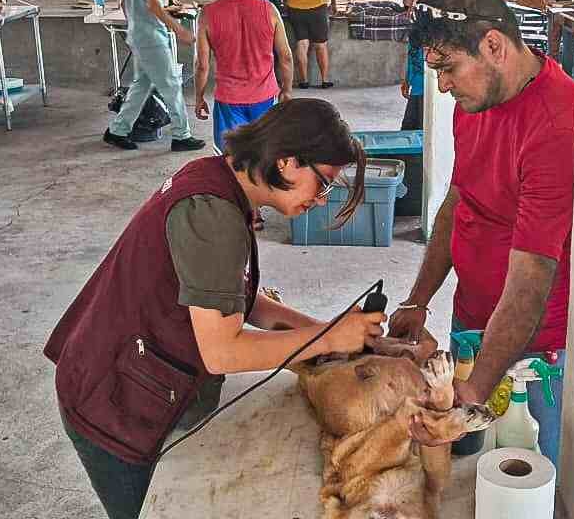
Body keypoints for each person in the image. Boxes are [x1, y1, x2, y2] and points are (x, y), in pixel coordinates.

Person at [45, 98, 384, 519]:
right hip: (110, 403)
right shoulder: (212, 215)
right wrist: (329, 338)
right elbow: (223, 351)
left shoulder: (219, 179)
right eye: (325, 182)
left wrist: (325, 332)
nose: (322, 199)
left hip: (124, 368)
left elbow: (235, 299)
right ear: (288, 162)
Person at [390, 0, 574, 471]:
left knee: (528, 470)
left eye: (448, 67)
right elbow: (459, 201)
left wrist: (474, 389)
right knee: (465, 470)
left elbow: (532, 278)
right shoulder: (474, 101)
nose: (443, 84)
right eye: (435, 70)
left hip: (531, 352)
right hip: (470, 324)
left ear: (493, 45)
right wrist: (418, 297)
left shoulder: (557, 123)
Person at [195, 0, 294, 230]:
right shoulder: (269, 10)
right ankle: (257, 210)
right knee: (262, 154)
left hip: (229, 99)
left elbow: (202, 64)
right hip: (264, 97)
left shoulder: (208, 15)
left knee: (233, 157)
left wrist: (200, 95)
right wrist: (286, 90)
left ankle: (244, 208)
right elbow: (284, 57)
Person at [104, 0, 205, 152]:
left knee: (141, 85)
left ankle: (117, 130)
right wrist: (179, 29)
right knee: (171, 84)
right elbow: (154, 4)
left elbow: (124, 3)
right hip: (152, 39)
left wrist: (136, 23)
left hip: (137, 35)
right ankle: (181, 136)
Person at [280, 0, 338, 89]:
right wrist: (334, 3)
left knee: (302, 43)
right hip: (317, 8)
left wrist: (284, 1)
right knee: (320, 44)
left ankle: (304, 81)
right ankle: (324, 80)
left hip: (295, 9)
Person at [400, 0, 426, 131]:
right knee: (410, 127)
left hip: (426, 88)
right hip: (417, 84)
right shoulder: (417, 16)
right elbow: (413, 49)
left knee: (419, 128)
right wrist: (407, 77)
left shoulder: (436, 24)